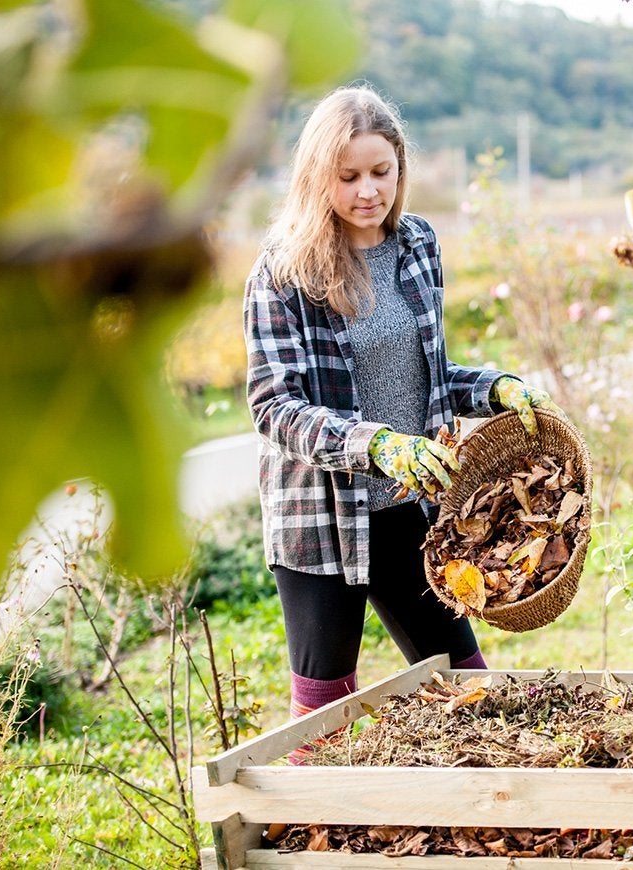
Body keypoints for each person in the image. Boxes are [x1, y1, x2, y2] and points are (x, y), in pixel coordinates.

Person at [243, 84, 562, 740]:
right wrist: (378, 445)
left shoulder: (416, 244)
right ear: (316, 178)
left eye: (381, 173)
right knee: (325, 714)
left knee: (466, 684)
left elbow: (423, 374)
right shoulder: (283, 274)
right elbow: (274, 406)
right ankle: (304, 833)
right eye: (349, 176)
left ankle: (477, 815)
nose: (369, 191)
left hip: (410, 512)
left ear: (401, 169)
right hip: (324, 523)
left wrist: (493, 388)